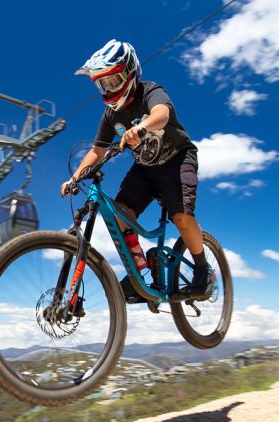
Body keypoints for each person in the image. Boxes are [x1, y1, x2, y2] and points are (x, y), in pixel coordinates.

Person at [60, 39, 214, 301]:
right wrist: (74, 178)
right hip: (145, 169)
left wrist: (142, 128)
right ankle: (140, 275)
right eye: (102, 83)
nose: (108, 89)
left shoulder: (150, 92)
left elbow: (162, 115)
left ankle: (203, 270)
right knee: (119, 217)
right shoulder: (110, 115)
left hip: (177, 160)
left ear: (131, 73)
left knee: (181, 217)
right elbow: (97, 150)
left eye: (113, 80)